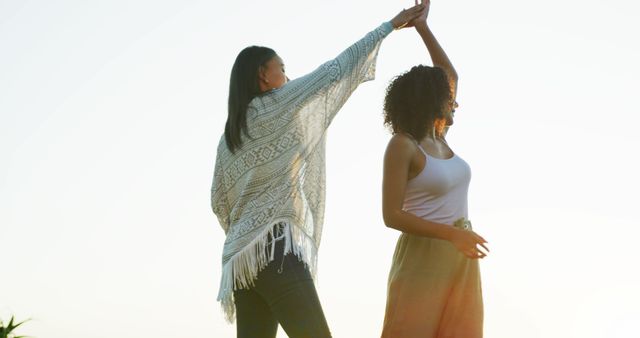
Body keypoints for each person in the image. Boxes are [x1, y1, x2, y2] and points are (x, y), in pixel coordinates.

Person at [211, 4, 427, 338]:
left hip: (240, 263)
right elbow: (335, 71)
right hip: (274, 250)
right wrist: (390, 25)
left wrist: (245, 227)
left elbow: (218, 201)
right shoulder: (281, 101)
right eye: (281, 69)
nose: (287, 76)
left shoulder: (229, 137)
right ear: (263, 75)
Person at [380, 1, 489, 337]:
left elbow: (450, 76)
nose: (455, 102)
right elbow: (391, 216)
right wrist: (451, 234)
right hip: (424, 257)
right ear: (430, 101)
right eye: (447, 98)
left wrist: (424, 28)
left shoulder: (441, 139)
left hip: (461, 253)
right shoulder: (404, 146)